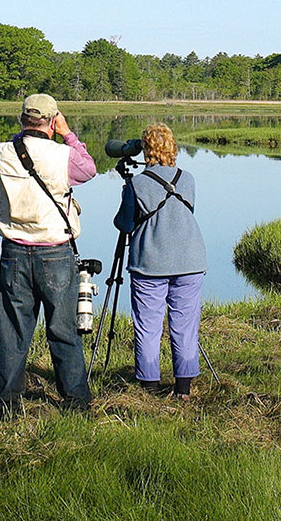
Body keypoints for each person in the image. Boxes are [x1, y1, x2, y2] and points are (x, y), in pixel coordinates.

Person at [0, 93, 97, 417]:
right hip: (54, 252)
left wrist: (28, 132)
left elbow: (18, 143)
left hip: (13, 252)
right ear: (52, 121)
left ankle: (6, 406)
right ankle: (76, 403)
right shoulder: (63, 155)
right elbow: (89, 170)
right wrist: (67, 133)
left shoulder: (2, 152)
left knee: (13, 332)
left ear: (22, 119)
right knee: (63, 331)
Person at [114, 123, 206, 400]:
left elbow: (125, 224)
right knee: (185, 326)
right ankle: (183, 390)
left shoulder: (137, 183)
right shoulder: (188, 179)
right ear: (173, 147)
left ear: (145, 150)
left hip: (150, 264)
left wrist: (126, 189)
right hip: (190, 260)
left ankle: (150, 388)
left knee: (148, 326)